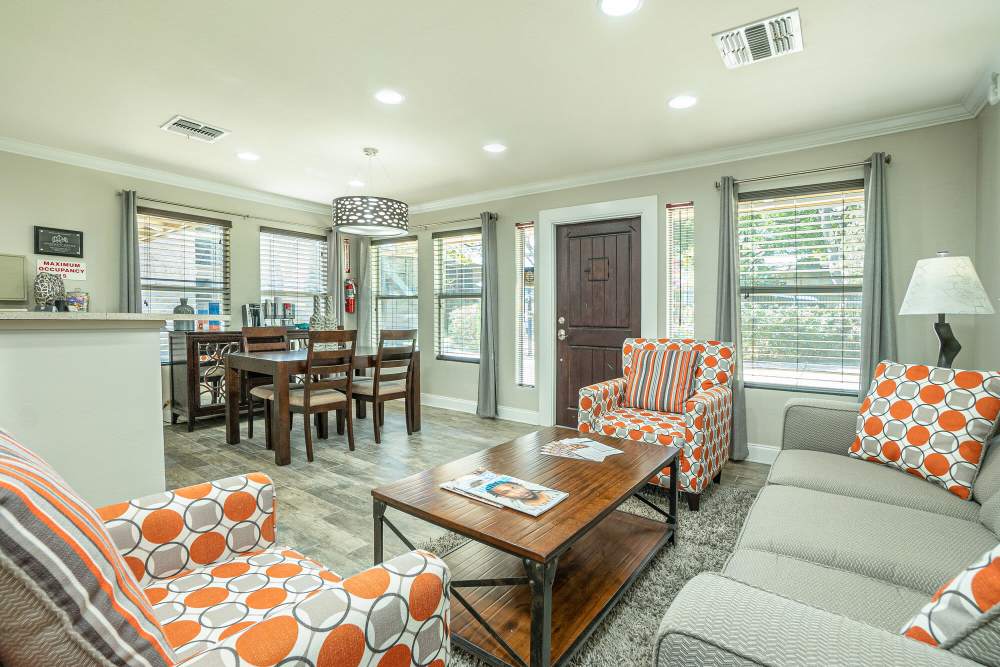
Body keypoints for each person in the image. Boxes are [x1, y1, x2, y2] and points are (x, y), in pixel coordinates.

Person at [484, 479, 553, 509]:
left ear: (521, 485)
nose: (519, 492)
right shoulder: (525, 509)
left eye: (515, 487)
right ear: (504, 497)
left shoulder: (551, 492)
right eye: (507, 492)